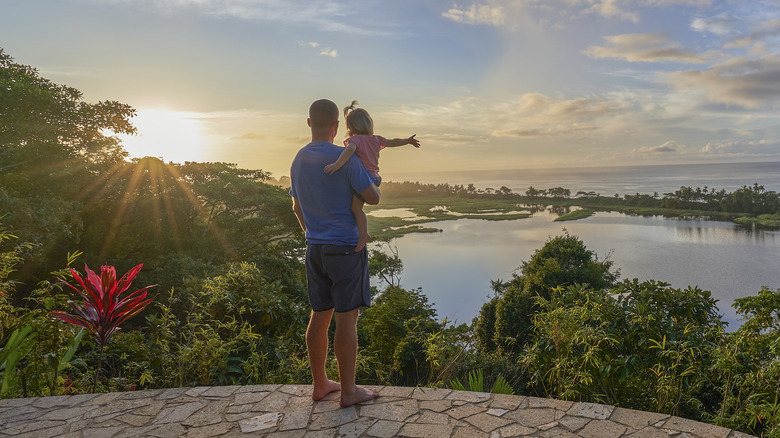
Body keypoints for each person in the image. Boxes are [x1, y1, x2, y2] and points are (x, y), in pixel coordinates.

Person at [290, 99, 380, 407]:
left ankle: (320, 384)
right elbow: (373, 197)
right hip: (345, 249)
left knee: (320, 315)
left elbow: (296, 207)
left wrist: (311, 233)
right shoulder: (345, 157)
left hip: (315, 249)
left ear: (308, 123)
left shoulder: (299, 159)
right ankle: (349, 391)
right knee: (346, 320)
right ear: (336, 127)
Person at [324, 101, 420, 252]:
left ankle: (363, 235)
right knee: (356, 206)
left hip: (365, 179)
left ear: (350, 127)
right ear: (369, 124)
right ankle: (362, 233)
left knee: (356, 208)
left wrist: (337, 165)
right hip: (375, 178)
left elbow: (349, 151)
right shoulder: (376, 139)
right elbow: (392, 142)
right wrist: (407, 141)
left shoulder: (355, 140)